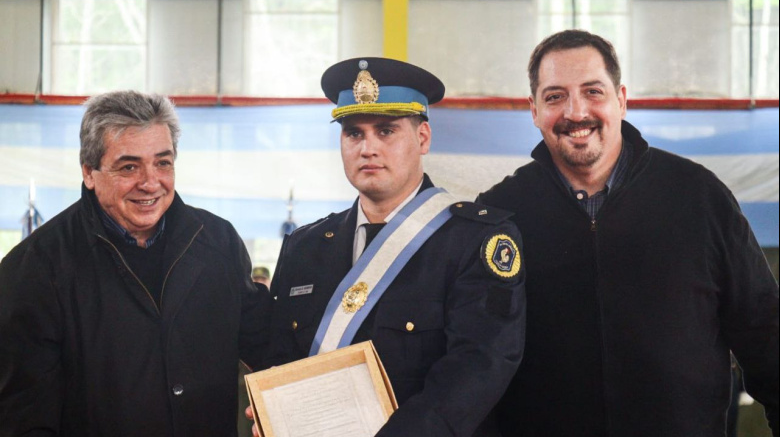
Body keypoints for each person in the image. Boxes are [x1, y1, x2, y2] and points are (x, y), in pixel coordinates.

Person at [477, 29, 779, 437]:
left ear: (621, 99)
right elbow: (476, 360)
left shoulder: (698, 195)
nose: (576, 111)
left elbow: (764, 331)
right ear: (533, 110)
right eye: (555, 96)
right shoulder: (500, 214)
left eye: (593, 92)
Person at [260, 57, 526, 436]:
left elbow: (480, 365)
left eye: (385, 131)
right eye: (353, 133)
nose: (367, 148)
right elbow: (283, 361)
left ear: (422, 139)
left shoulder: (475, 240)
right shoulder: (306, 246)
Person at [0, 91, 270, 437]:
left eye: (163, 162)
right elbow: (24, 419)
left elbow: (266, 344)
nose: (149, 182)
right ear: (89, 172)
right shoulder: (34, 268)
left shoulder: (220, 242)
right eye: (129, 166)